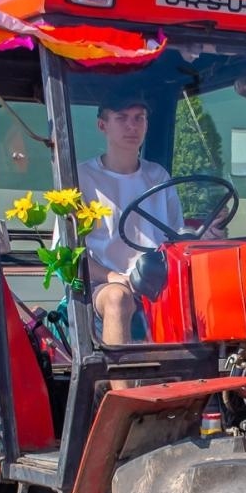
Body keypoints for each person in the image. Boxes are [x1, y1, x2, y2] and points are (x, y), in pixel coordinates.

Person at [75, 91, 181, 347]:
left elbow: (176, 239)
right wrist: (112, 276)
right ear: (102, 125)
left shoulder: (158, 176)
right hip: (104, 284)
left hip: (156, 281)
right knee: (117, 299)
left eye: (139, 118)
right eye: (122, 118)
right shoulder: (81, 177)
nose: (132, 126)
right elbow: (69, 254)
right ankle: (121, 387)